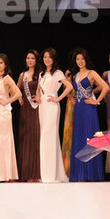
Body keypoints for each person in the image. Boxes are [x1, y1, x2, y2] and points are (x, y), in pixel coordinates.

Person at [68, 49, 109, 182]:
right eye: (77, 59)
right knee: (79, 138)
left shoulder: (92, 73)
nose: (80, 61)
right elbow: (68, 89)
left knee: (89, 137)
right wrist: (71, 98)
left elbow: (105, 87)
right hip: (78, 109)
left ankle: (91, 174)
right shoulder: (75, 76)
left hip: (88, 109)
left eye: (82, 59)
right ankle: (79, 174)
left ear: (86, 60)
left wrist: (97, 101)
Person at [38, 48, 72, 183]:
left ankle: (53, 174)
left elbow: (69, 87)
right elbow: (39, 89)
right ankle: (46, 173)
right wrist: (38, 97)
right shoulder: (41, 74)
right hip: (42, 107)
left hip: (52, 106)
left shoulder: (58, 73)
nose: (47, 59)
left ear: (53, 59)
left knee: (51, 137)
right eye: (45, 57)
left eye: (49, 57)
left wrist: (58, 98)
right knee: (44, 138)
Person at [0, 54, 21, 182]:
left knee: (4, 140)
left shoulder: (7, 79)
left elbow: (18, 93)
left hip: (4, 113)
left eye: (1, 63)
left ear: (5, 64)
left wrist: (6, 102)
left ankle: (5, 174)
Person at [16, 50, 41, 182]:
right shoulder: (23, 75)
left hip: (36, 109)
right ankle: (26, 172)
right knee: (25, 138)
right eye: (28, 58)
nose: (30, 60)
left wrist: (39, 97)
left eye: (32, 58)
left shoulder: (40, 74)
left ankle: (36, 173)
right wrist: (19, 98)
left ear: (36, 60)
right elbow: (16, 90)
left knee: (36, 137)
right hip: (25, 109)